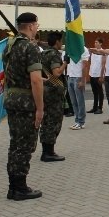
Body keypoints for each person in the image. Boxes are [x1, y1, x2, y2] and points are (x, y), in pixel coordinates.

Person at [2, 12, 44, 201]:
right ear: (30, 26)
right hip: (26, 103)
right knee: (25, 145)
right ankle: (19, 187)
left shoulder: (10, 46)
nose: (37, 28)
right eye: (36, 25)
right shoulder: (30, 48)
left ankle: (14, 185)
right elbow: (35, 81)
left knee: (15, 143)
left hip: (12, 98)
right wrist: (40, 108)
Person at [39, 32, 68, 162]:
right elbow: (56, 73)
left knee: (46, 121)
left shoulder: (43, 53)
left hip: (45, 91)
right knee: (54, 122)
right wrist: (65, 63)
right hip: (54, 93)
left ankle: (47, 150)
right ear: (57, 41)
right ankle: (48, 153)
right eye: (60, 41)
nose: (61, 43)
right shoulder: (55, 54)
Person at [66, 44, 90, 130]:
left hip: (78, 77)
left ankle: (81, 122)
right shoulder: (71, 47)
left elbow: (85, 66)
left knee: (80, 101)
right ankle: (77, 121)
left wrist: (83, 80)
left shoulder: (84, 49)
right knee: (73, 101)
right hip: (70, 76)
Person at [88, 38, 104, 115]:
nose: (95, 43)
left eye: (97, 42)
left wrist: (101, 76)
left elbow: (103, 65)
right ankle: (94, 107)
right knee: (94, 92)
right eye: (95, 42)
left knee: (100, 92)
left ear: (101, 44)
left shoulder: (103, 52)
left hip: (98, 75)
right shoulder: (93, 52)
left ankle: (100, 107)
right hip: (92, 74)